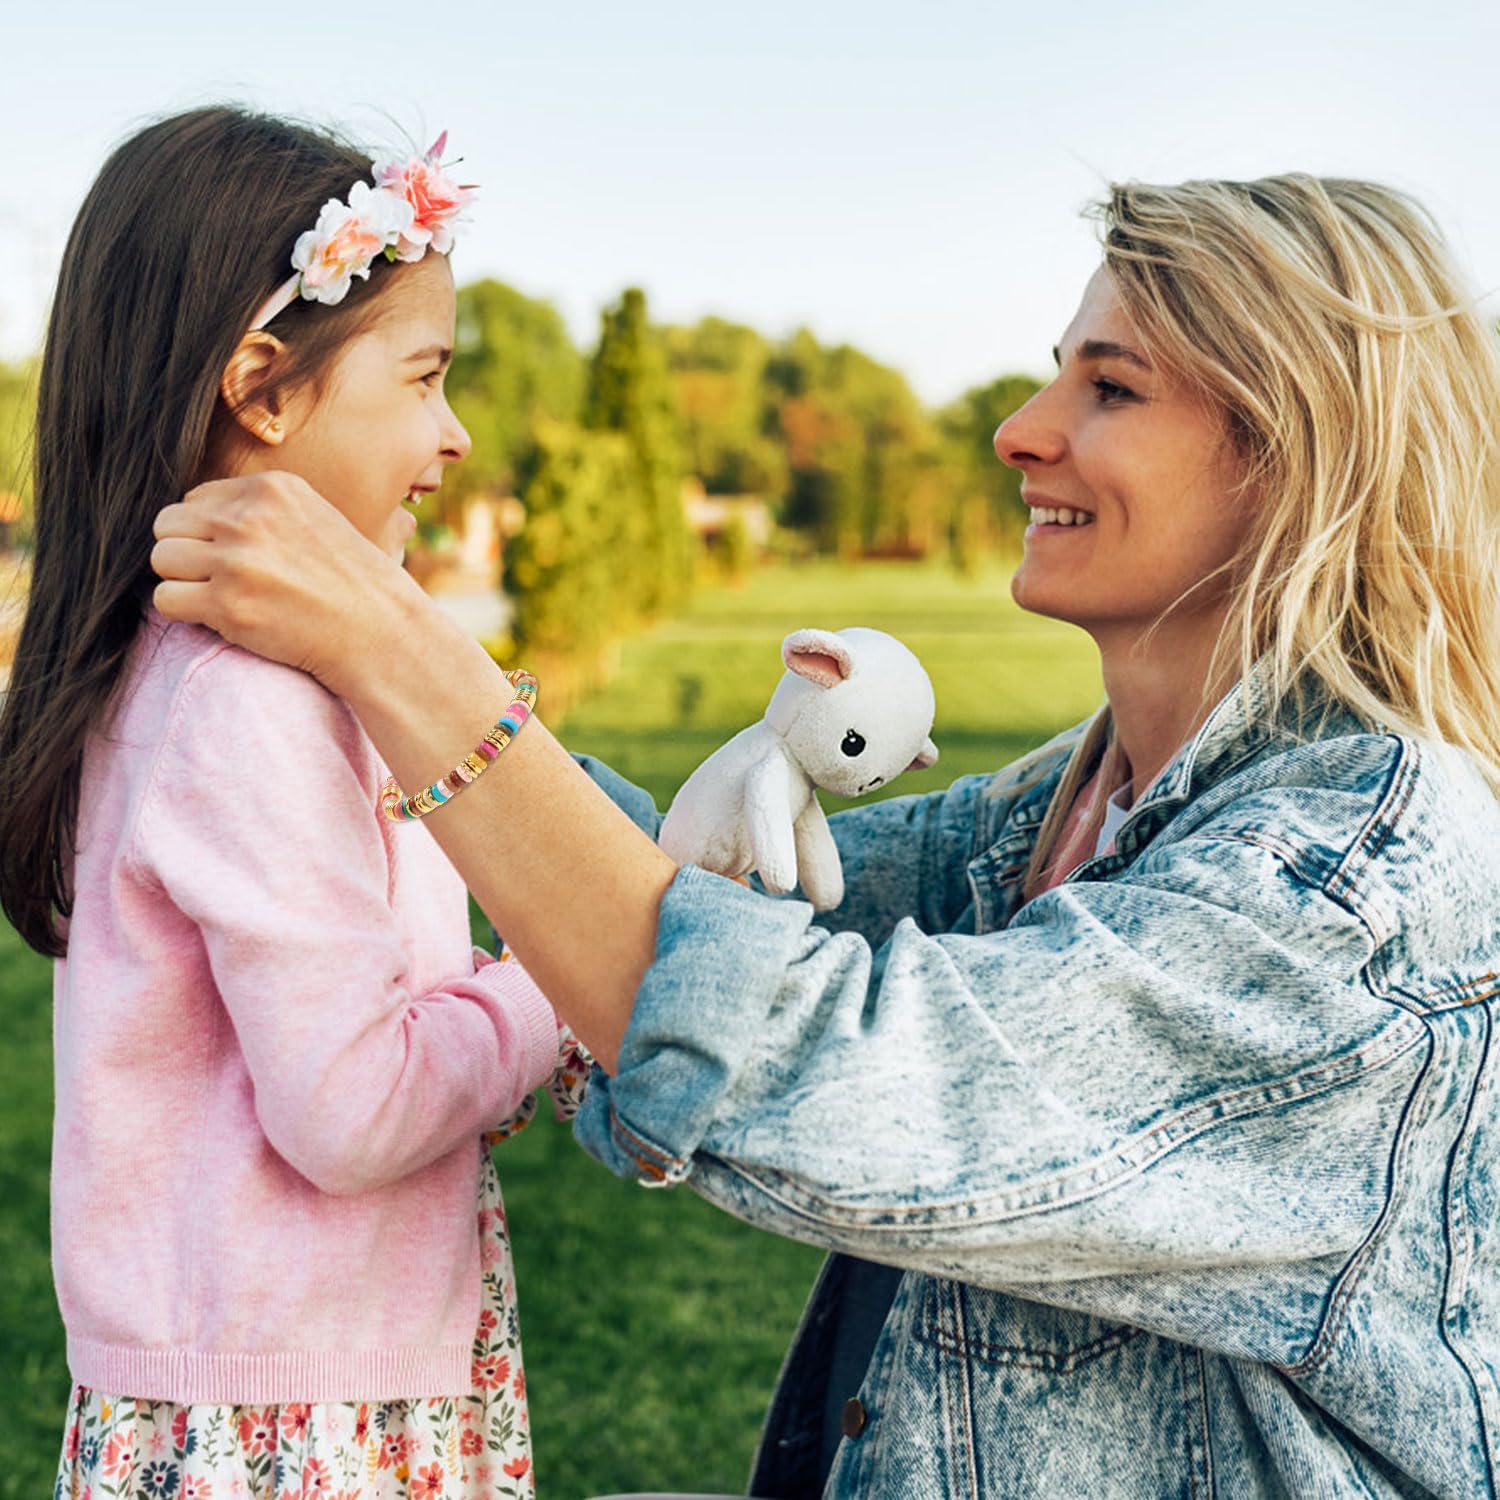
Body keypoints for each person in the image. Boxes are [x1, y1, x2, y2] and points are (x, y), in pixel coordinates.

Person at [150, 173, 1500, 1497]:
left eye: (1112, 389)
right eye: (1057, 375)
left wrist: (401, 649)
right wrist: (374, 716)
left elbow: (824, 1064)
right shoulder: (1071, 807)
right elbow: (696, 898)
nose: (1019, 431)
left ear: (1293, 460)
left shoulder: (1354, 885)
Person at [0, 108, 589, 1499]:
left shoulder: (179, 665)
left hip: (261, 1373)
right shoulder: (245, 701)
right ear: (262, 390)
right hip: (304, 1417)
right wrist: (554, 988)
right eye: (425, 377)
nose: (454, 434)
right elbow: (353, 1109)